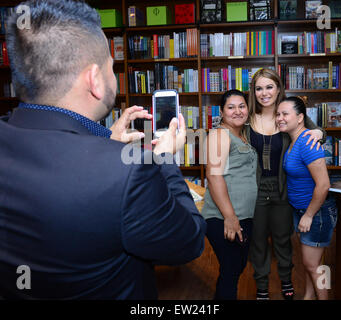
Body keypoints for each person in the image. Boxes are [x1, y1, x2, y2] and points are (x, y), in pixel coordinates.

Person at [0, 0, 206, 300]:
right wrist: (164, 158)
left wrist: (103, 142)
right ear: (95, 79)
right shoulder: (129, 172)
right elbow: (188, 241)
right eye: (111, 66)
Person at [246, 68, 325, 300]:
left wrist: (320, 132)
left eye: (269, 87)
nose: (264, 93)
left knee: (286, 243)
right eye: (259, 88)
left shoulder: (288, 113)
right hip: (257, 192)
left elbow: (315, 131)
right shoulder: (247, 118)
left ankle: (288, 284)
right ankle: (262, 287)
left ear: (278, 89)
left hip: (286, 193)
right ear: (253, 92)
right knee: (258, 241)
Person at [276, 97, 336, 300]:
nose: (280, 118)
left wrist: (309, 215)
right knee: (313, 265)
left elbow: (324, 184)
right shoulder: (294, 141)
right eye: (278, 114)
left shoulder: (307, 143)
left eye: (285, 114)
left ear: (300, 117)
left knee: (314, 266)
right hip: (302, 210)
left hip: (316, 213)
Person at [201, 90, 258, 300]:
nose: (237, 111)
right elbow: (214, 177)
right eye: (231, 107)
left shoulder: (241, 135)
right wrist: (230, 217)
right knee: (231, 269)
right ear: (222, 112)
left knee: (235, 267)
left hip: (243, 214)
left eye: (241, 106)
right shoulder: (219, 135)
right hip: (224, 217)